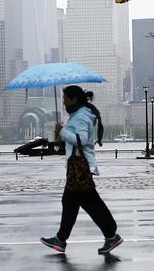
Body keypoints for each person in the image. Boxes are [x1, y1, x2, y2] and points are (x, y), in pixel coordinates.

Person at [40, 85, 123, 255]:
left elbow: (83, 140)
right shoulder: (80, 115)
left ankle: (107, 234)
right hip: (78, 165)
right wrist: (62, 133)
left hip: (79, 166)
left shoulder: (80, 117)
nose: (63, 103)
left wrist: (62, 131)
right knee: (78, 202)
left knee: (82, 202)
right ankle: (63, 239)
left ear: (74, 99)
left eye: (65, 99)